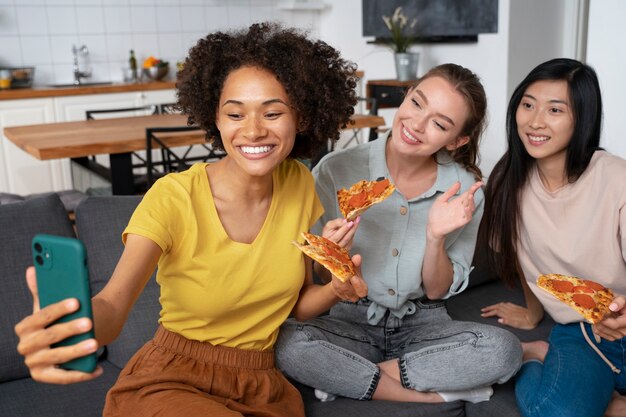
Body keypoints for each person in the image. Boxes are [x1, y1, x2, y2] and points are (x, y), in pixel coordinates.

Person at [13, 23, 358, 417]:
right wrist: (72, 328)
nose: (253, 130)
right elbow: (112, 304)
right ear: (215, 117)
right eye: (235, 113)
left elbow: (294, 304)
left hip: (263, 388)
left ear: (302, 115)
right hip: (171, 381)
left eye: (273, 112)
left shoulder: (300, 184)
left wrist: (337, 287)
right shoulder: (173, 197)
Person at [275, 63, 523, 404]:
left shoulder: (465, 191)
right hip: (350, 319)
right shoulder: (336, 169)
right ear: (405, 96)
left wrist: (436, 237)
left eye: (439, 124)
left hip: (423, 324)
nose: (416, 125)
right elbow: (318, 275)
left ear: (457, 140)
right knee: (286, 342)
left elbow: (437, 291)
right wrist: (334, 255)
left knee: (503, 350)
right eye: (417, 103)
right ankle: (434, 396)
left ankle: (349, 376)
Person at [477, 58, 626, 417]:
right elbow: (524, 257)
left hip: (620, 320)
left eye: (555, 110)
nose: (535, 121)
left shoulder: (616, 178)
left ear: (582, 119)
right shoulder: (506, 182)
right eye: (527, 105)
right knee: (555, 411)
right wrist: (532, 313)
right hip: (580, 333)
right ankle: (535, 355)